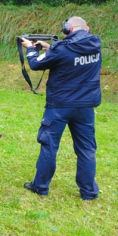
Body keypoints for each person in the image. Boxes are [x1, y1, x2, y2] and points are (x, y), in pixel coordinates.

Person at [21, 16, 101, 200]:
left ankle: (40, 187)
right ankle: (89, 192)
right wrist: (50, 48)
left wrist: (31, 50)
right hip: (86, 106)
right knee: (87, 149)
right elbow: (71, 54)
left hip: (59, 106)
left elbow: (35, 64)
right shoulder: (95, 46)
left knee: (49, 145)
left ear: (68, 29)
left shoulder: (63, 49)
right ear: (86, 29)